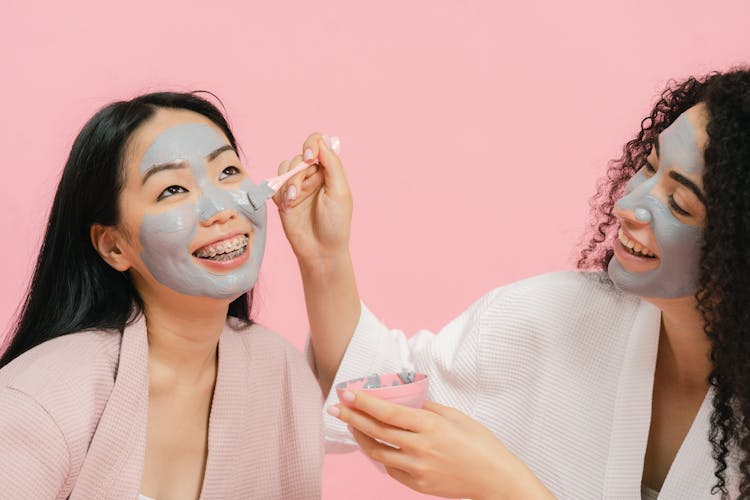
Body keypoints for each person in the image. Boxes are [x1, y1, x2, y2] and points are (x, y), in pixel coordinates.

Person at [275, 68, 750, 499]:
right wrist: (324, 258)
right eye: (649, 165)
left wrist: (505, 488)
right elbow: (384, 393)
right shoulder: (555, 315)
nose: (628, 206)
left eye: (680, 204)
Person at [0, 92, 324, 499]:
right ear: (114, 246)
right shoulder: (39, 401)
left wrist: (323, 254)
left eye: (227, 171)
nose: (221, 208)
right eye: (172, 190)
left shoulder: (278, 370)